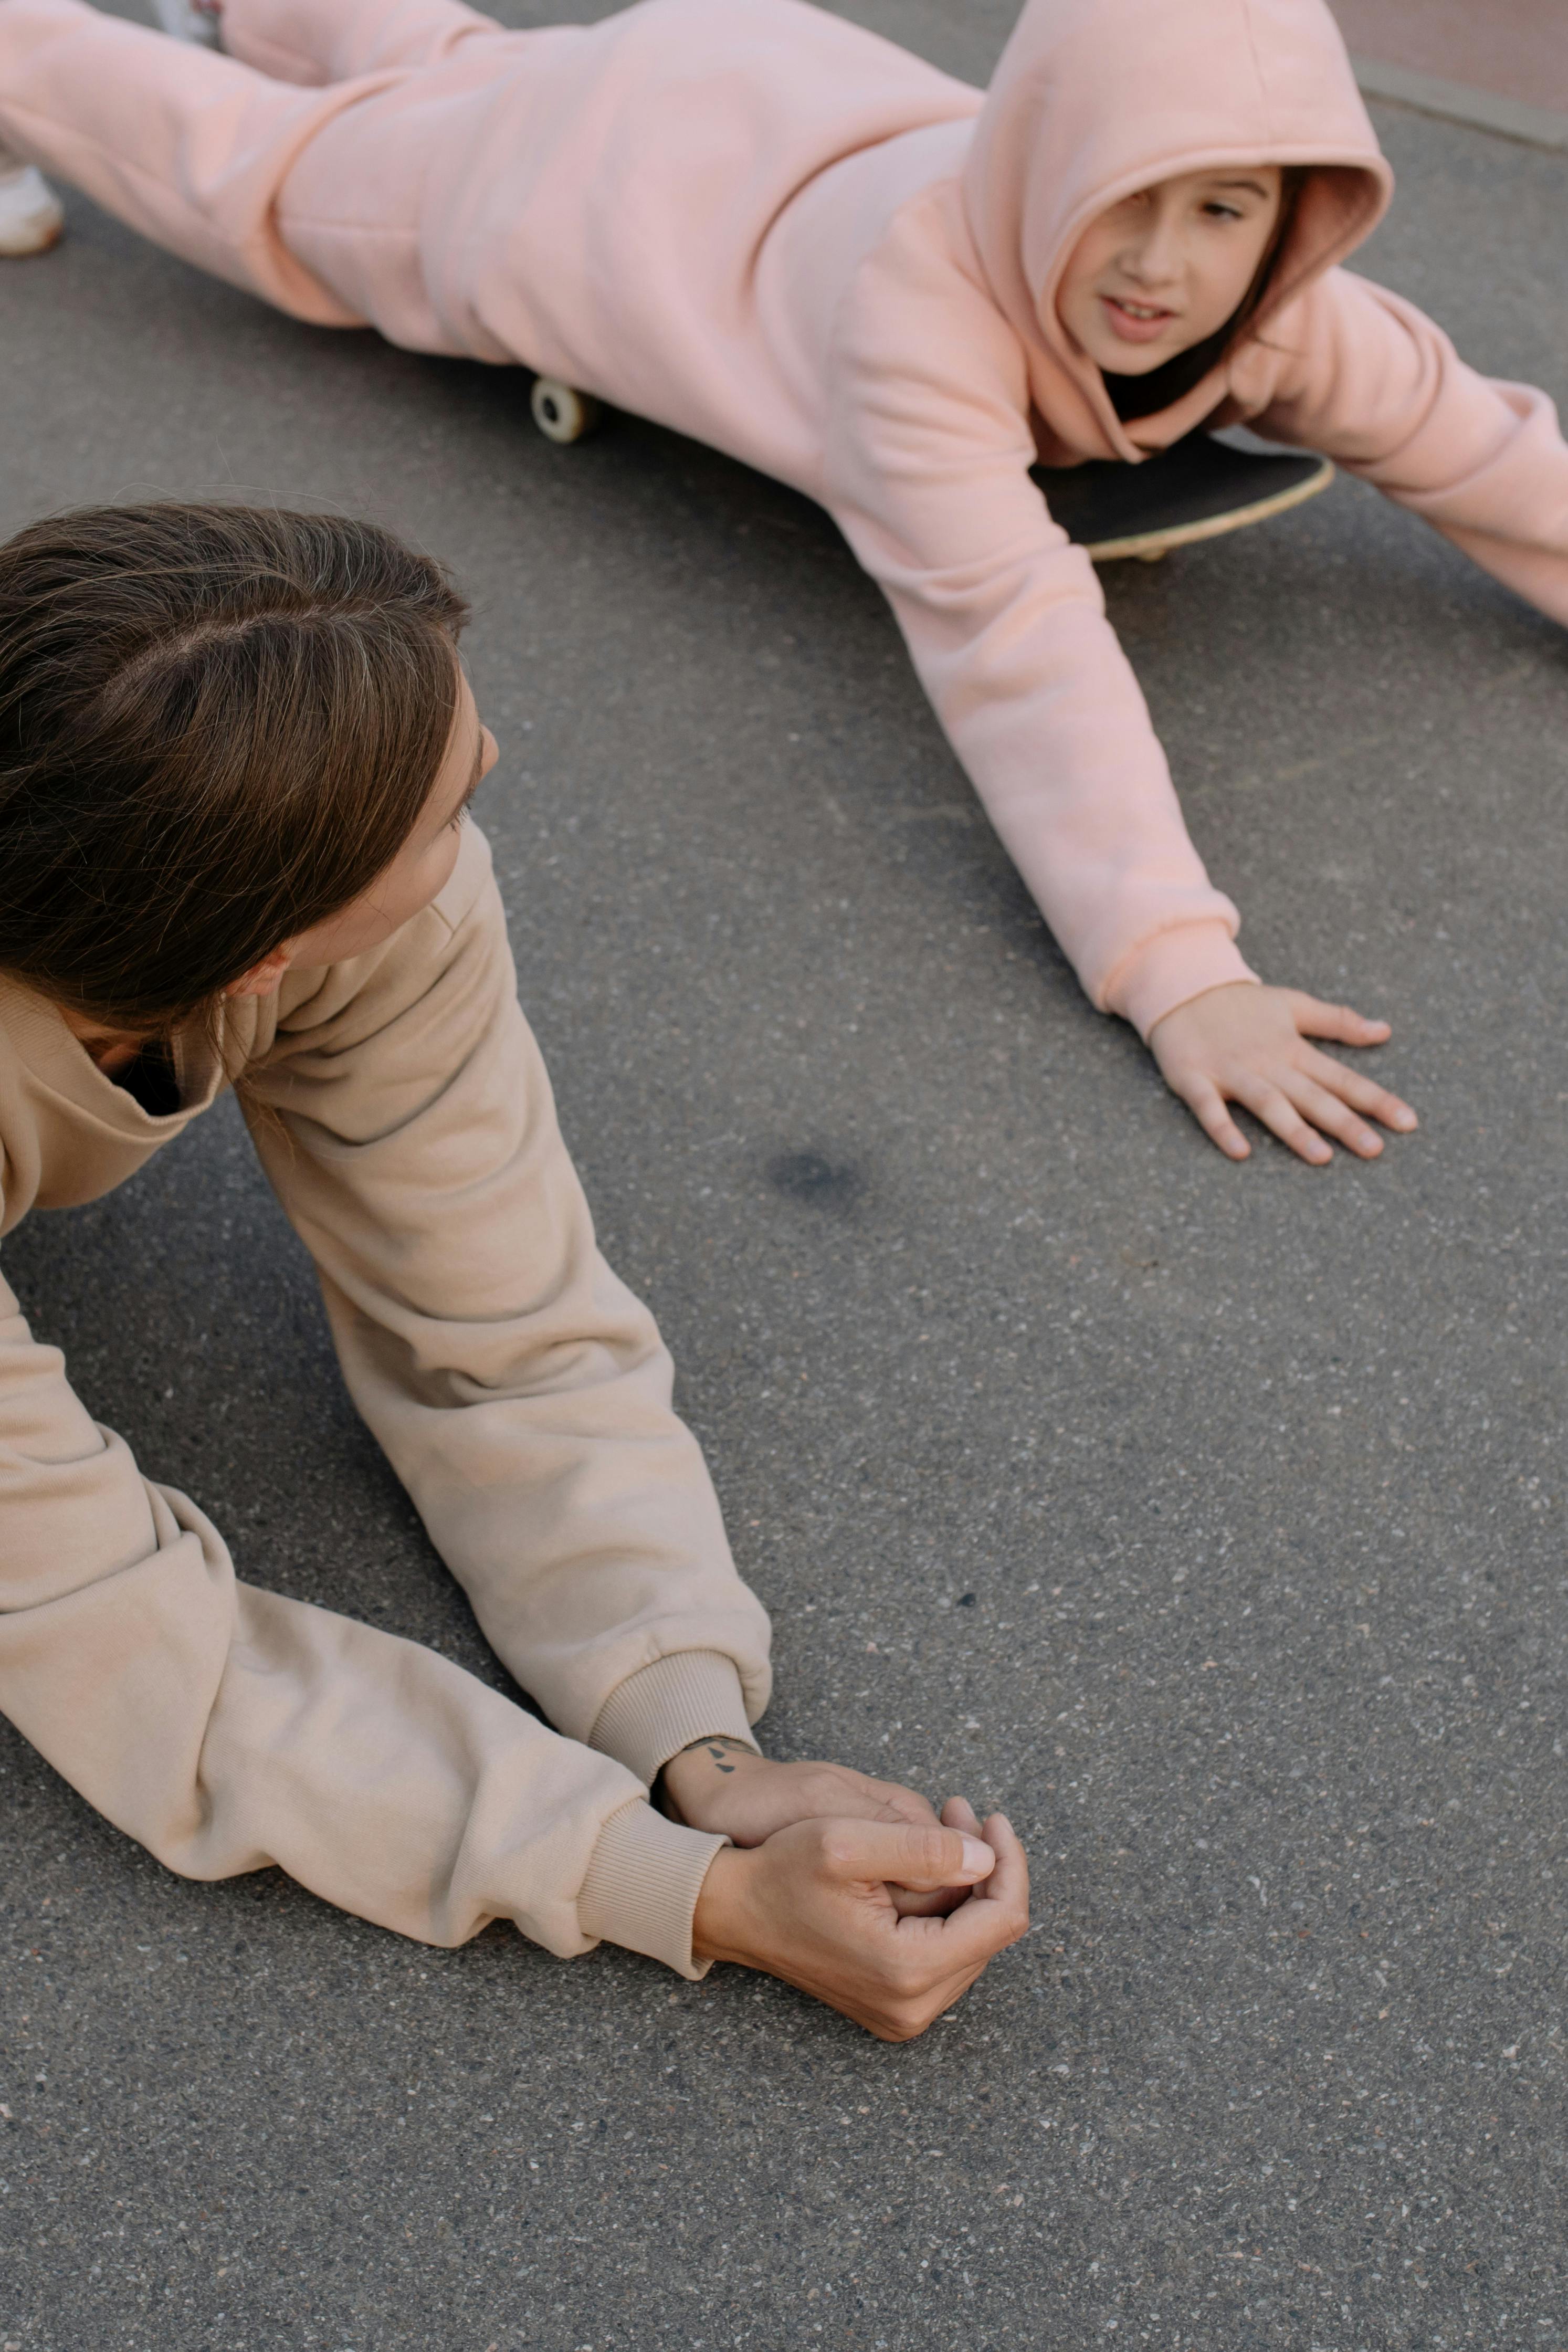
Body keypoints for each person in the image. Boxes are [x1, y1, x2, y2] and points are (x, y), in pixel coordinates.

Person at [6, 0, 1565, 1163]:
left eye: (1219, 211)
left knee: (453, 60)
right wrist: (1178, 969)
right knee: (279, 182)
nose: (1160, 265)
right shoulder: (920, 320)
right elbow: (1015, 632)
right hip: (596, 188)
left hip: (763, 90)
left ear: (1294, 217)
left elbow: (1490, 452)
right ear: (1037, 169)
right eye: (1117, 202)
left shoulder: (1297, 312)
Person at [0, 500, 1028, 2040]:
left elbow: (499, 1319)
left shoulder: (338, 899)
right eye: (442, 811)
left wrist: (695, 1743)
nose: (483, 792)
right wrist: (673, 1891)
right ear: (264, 953)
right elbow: (129, 1640)